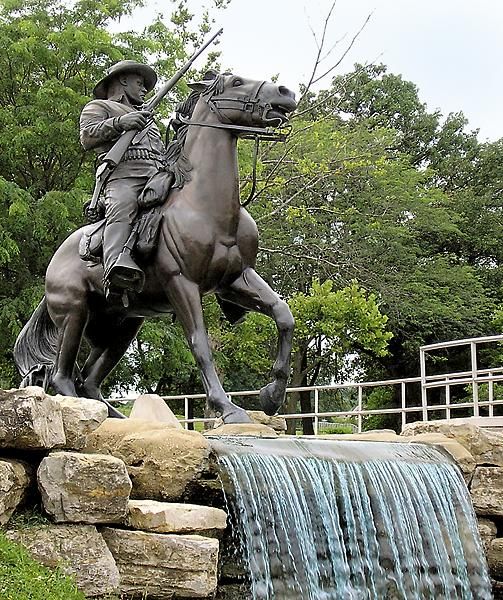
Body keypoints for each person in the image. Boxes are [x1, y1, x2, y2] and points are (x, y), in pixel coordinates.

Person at [80, 60, 171, 303]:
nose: (144, 90)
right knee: (122, 209)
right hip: (125, 175)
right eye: (140, 83)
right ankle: (113, 273)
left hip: (158, 175)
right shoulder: (99, 106)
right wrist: (121, 123)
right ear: (122, 81)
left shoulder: (149, 119)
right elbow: (87, 136)